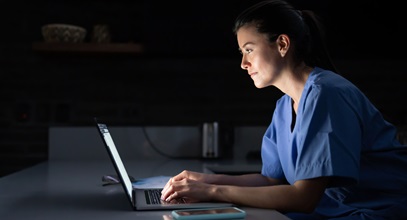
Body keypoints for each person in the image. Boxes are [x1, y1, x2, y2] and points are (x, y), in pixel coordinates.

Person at [160, 0, 407, 219]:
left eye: (249, 50)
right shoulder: (284, 106)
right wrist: (206, 180)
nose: (243, 64)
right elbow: (271, 180)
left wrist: (213, 192)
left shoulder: (326, 94)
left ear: (282, 44)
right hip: (332, 211)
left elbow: (303, 199)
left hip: (375, 212)